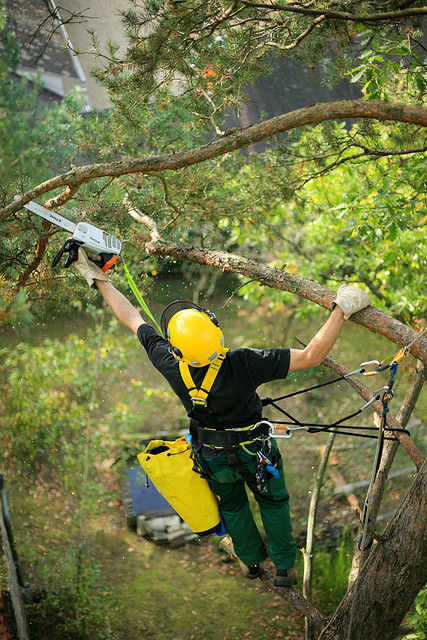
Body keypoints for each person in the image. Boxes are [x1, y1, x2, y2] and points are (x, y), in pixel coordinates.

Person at [74, 249, 372, 587]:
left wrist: (98, 279)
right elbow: (312, 356)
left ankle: (251, 564)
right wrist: (341, 308)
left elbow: (133, 318)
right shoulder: (244, 363)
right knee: (273, 503)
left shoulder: (170, 364)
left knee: (234, 508)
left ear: (177, 347)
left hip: (213, 457)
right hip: (256, 452)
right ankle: (284, 567)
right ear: (216, 334)